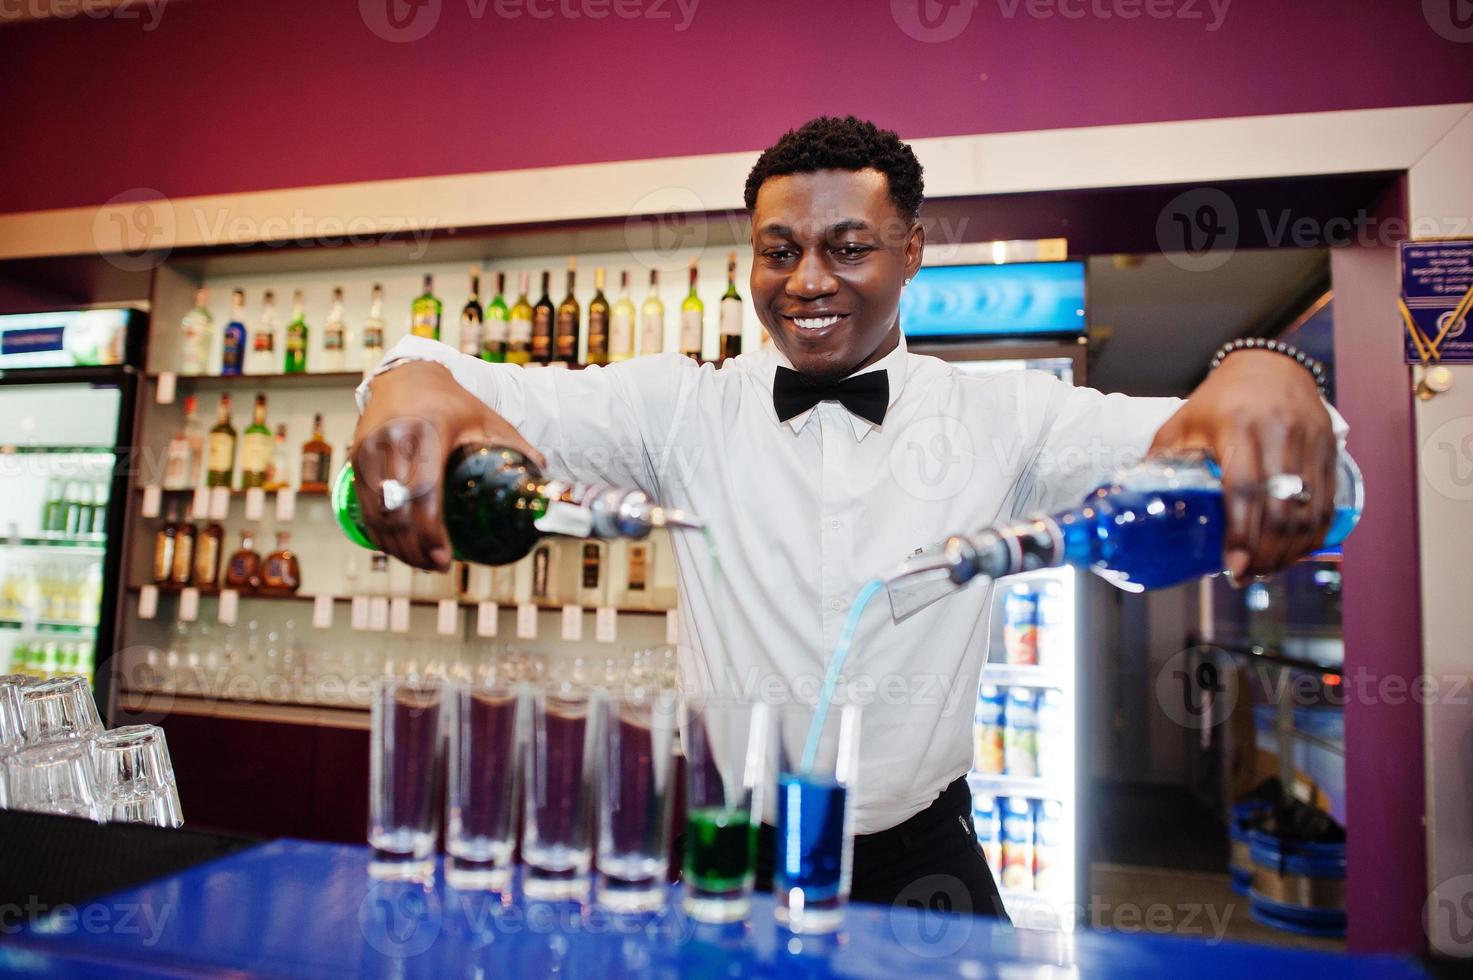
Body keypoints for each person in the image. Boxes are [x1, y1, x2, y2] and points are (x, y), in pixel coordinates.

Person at [350, 116, 1344, 919]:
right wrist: (406, 383)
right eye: (777, 250)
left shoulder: (1007, 415)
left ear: (910, 253)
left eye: (847, 245)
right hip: (726, 838)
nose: (808, 280)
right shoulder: (679, 408)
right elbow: (442, 379)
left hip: (923, 850)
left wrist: (1267, 367)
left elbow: (1263, 459)